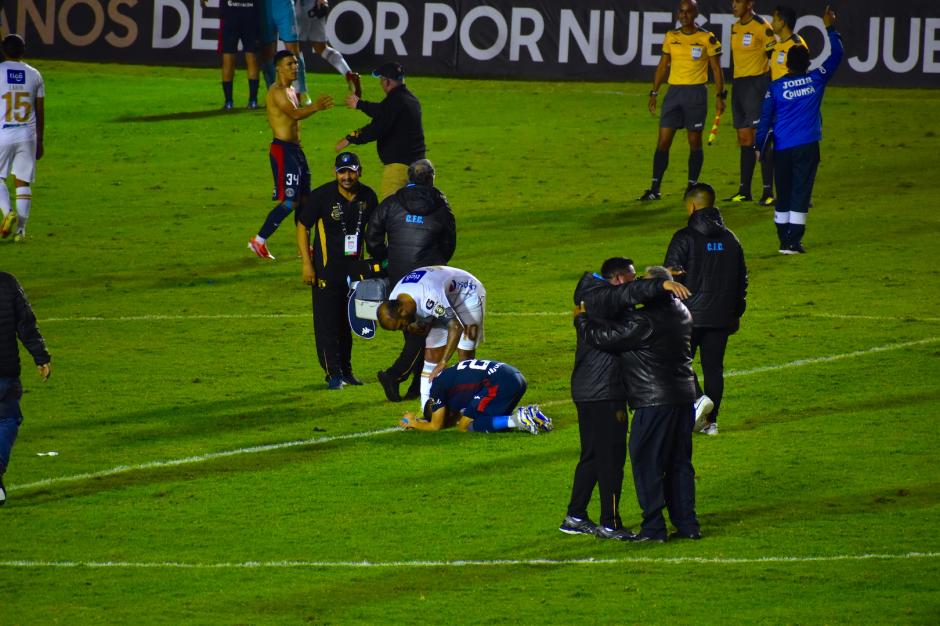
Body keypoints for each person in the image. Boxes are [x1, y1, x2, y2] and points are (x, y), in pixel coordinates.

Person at [562, 259, 692, 540]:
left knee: (594, 456)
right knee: (611, 458)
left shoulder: (601, 295)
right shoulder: (599, 297)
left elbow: (626, 295)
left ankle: (575, 515)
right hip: (604, 391)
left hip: (592, 389)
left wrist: (664, 278)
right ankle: (610, 522)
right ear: (618, 279)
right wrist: (661, 284)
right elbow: (622, 298)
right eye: (633, 279)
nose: (636, 285)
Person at [366, 159, 456, 402]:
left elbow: (372, 234)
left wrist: (385, 258)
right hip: (429, 278)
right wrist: (438, 263)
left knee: (416, 332)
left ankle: (416, 385)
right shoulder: (440, 206)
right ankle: (395, 376)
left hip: (399, 278)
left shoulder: (392, 203)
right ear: (432, 177)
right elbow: (449, 243)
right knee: (425, 332)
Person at [757, 6, 843, 254]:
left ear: (787, 65)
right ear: (807, 63)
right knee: (800, 192)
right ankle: (793, 242)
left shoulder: (775, 87)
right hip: (807, 146)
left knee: (782, 192)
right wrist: (830, 27)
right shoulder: (817, 79)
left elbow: (764, 119)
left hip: (782, 147)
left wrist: (758, 146)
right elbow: (837, 53)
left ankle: (783, 239)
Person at [664, 183, 748, 436]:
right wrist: (735, 310)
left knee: (675, 362)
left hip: (688, 315)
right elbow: (742, 280)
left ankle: (699, 400)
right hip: (722, 316)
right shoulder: (731, 238)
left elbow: (670, 278)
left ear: (691, 206)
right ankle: (711, 423)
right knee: (714, 368)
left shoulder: (684, 237)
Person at [295, 151, 377, 389]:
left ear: (359, 171)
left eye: (351, 171)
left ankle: (347, 370)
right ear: (335, 173)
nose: (347, 176)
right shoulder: (322, 196)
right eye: (342, 172)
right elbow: (302, 226)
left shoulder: (368, 196)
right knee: (327, 325)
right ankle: (333, 374)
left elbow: (375, 230)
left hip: (355, 274)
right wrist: (307, 264)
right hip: (326, 273)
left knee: (347, 324)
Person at [248, 50, 332, 260]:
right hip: (283, 151)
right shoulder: (276, 91)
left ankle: (303, 249)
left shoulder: (292, 89)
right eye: (289, 64)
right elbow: (294, 114)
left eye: (296, 64)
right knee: (290, 201)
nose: (295, 67)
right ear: (278, 68)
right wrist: (316, 107)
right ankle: (258, 241)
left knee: (305, 201)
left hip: (296, 151)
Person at [638, 0, 724, 202]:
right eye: (681, 12)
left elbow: (716, 69)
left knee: (694, 142)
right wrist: (654, 92)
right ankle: (654, 188)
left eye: (688, 12)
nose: (684, 15)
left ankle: (692, 186)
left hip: (695, 94)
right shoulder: (671, 36)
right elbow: (662, 66)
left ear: (695, 14)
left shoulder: (706, 38)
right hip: (674, 93)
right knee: (663, 141)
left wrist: (720, 95)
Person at [376, 266, 484, 410]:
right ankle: (427, 409)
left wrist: (444, 362)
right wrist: (419, 324)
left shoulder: (429, 297)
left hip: (468, 294)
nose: (404, 329)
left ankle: (467, 408)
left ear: (402, 311)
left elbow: (455, 326)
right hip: (443, 295)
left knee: (465, 354)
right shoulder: (395, 300)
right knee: (432, 355)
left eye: (401, 326)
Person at [336, 62, 425, 200]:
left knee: (391, 214)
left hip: (400, 169)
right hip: (420, 167)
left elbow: (376, 128)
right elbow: (383, 111)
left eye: (381, 80)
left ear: (387, 82)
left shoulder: (395, 101)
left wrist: (350, 138)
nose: (381, 84)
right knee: (415, 212)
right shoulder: (410, 99)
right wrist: (360, 104)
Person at [0, 272, 51, 506]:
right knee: (8, 419)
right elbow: (25, 322)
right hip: (4, 370)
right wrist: (40, 356)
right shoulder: (7, 283)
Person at [399, 359, 552, 435]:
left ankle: (517, 420)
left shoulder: (436, 390)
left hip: (498, 382)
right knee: (486, 419)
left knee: (465, 426)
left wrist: (414, 423)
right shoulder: (450, 383)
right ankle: (532, 416)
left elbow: (435, 425)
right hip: (514, 375)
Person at [724, 0, 776, 205]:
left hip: (757, 85)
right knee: (744, 138)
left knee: (760, 139)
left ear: (749, 3)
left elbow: (775, 57)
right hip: (739, 86)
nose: (734, 5)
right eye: (733, 2)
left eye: (738, 1)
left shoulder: (763, 27)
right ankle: (744, 191)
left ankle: (768, 192)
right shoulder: (735, 28)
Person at [759, 5, 809, 207]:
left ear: (783, 22)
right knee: (779, 150)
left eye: (775, 18)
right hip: (777, 105)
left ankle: (800, 194)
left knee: (794, 151)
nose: (772, 22)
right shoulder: (778, 45)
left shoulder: (796, 45)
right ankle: (782, 193)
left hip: (791, 108)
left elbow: (802, 77)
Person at [0, 34, 44, 243]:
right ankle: (21, 232)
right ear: (23, 51)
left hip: (3, 132)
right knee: (22, 183)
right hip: (28, 135)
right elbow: (40, 110)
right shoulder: (34, 74)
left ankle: (8, 213)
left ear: (3, 50)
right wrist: (40, 140)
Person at [201, 0, 261, 110]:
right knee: (251, 57)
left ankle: (229, 102)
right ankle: (252, 101)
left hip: (230, 14)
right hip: (250, 14)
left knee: (229, 58)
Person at [295, 0, 361, 97]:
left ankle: (298, 93)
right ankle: (349, 74)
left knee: (295, 49)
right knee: (321, 48)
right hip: (317, 6)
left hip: (302, 6)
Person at [258, 0, 311, 105]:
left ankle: (300, 92)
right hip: (264, 7)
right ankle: (273, 94)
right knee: (267, 53)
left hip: (283, 6)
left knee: (293, 52)